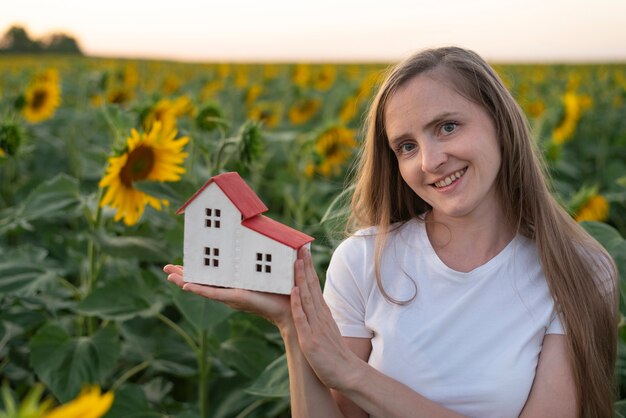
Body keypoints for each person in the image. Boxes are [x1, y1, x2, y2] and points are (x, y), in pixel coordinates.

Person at [164, 46, 618, 417]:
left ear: (501, 123)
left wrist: (354, 375)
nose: (430, 161)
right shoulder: (365, 261)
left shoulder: (577, 270)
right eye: (406, 146)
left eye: (447, 126)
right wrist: (292, 324)